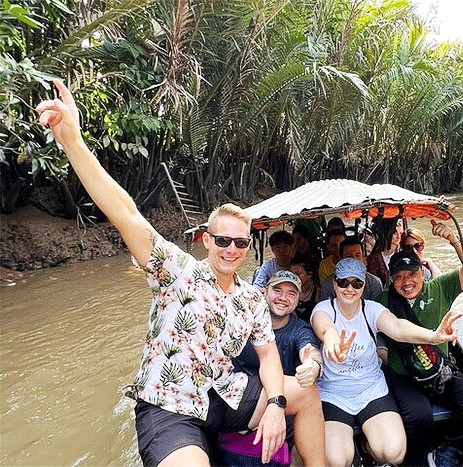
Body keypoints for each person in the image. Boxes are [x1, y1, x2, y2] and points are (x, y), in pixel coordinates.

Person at [36, 80, 325, 467]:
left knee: (305, 395)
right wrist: (73, 142)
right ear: (206, 240)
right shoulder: (174, 269)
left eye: (240, 243)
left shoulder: (252, 299)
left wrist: (274, 403)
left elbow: (269, 355)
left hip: (225, 395)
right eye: (222, 240)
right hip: (170, 407)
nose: (231, 249)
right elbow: (125, 214)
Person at [310, 258, 463, 467]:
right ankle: (353, 449)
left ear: (364, 285)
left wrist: (433, 336)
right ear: (334, 284)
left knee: (393, 454)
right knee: (336, 461)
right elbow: (324, 327)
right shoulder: (324, 308)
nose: (349, 289)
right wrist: (331, 340)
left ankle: (365, 446)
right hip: (334, 393)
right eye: (343, 282)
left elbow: (397, 327)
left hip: (371, 388)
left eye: (357, 283)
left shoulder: (371, 309)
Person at [375, 220, 463, 467]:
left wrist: (454, 240)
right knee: (420, 417)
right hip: (404, 377)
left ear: (421, 273)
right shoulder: (381, 301)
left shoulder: (440, 288)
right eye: (399, 277)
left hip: (440, 370)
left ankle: (449, 451)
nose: (406, 281)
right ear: (391, 279)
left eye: (412, 274)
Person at [221, 270, 324, 466]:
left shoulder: (299, 329)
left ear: (298, 299)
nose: (283, 298)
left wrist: (313, 366)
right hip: (240, 404)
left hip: (283, 409)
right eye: (277, 290)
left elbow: (310, 351)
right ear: (264, 291)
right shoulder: (244, 321)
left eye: (291, 293)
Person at [366, 217, 403, 287]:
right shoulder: (374, 258)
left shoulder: (402, 253)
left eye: (400, 233)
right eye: (394, 233)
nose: (398, 237)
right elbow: (372, 283)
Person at [289, 255, 321, 323]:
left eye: (298, 274)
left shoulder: (318, 293)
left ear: (309, 274)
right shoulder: (287, 294)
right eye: (291, 274)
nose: (294, 277)